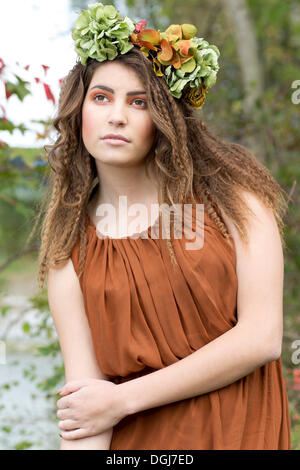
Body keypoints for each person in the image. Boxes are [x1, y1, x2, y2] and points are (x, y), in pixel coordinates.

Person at [33, 3, 292, 450]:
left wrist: (122, 400)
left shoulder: (232, 198)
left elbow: (262, 338)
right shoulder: (68, 247)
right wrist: (103, 409)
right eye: (102, 97)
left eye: (140, 102)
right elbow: (86, 409)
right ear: (79, 111)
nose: (117, 116)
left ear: (166, 120)